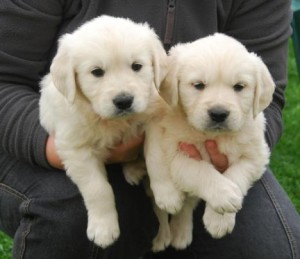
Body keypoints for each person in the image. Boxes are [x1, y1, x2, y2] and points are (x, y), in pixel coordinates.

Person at [0, 0, 299, 258]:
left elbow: (266, 97)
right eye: (98, 72)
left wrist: (230, 161)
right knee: (76, 219)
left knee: (273, 249)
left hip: (194, 146)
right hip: (46, 142)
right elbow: (5, 81)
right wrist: (62, 148)